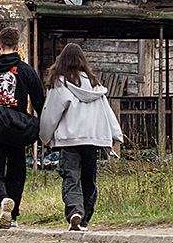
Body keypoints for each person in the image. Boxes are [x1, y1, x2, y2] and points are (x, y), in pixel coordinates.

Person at [38, 42, 124, 230]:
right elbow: (106, 111)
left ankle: (74, 212)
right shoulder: (95, 84)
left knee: (71, 176)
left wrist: (45, 137)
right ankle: (84, 219)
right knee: (88, 178)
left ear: (61, 61)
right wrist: (114, 136)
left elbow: (51, 113)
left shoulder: (59, 83)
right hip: (93, 138)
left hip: (69, 139)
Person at [0, 25, 45, 230]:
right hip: (17, 128)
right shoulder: (25, 70)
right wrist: (39, 126)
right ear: (18, 46)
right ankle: (13, 217)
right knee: (17, 172)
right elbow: (39, 100)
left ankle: (3, 200)